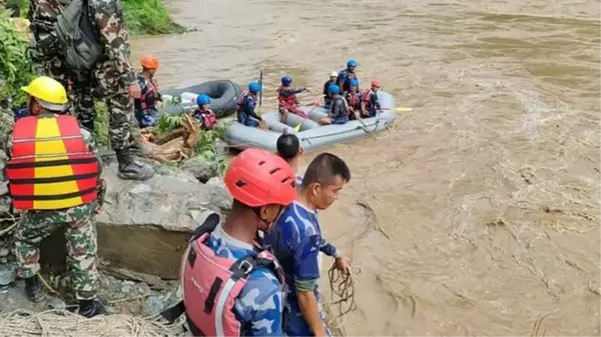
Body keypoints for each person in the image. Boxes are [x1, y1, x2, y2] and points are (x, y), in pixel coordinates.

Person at [5, 76, 105, 317]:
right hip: (78, 207)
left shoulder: (16, 137)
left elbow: (17, 173)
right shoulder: (83, 135)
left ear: (37, 105)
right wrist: (96, 204)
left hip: (42, 209)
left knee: (23, 238)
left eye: (30, 98)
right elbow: (96, 173)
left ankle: (32, 285)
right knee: (83, 249)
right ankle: (87, 305)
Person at [29, 0, 155, 181]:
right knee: (120, 104)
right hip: (102, 61)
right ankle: (126, 162)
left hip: (73, 58)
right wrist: (129, 79)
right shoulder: (103, 2)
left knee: (82, 100)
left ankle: (86, 152)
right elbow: (114, 43)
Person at [179, 148, 297, 337]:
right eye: (280, 208)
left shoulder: (203, 239)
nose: (281, 214)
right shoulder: (264, 286)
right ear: (265, 211)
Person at [264, 153, 351, 337]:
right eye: (335, 191)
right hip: (293, 304)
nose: (337, 197)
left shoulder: (291, 191)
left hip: (275, 277)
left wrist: (334, 253)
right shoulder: (307, 233)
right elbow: (305, 294)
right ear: (316, 188)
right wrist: (320, 333)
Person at [134, 55, 162, 128]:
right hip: (144, 118)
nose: (155, 71)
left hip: (152, 113)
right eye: (154, 69)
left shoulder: (150, 80)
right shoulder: (140, 83)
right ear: (150, 69)